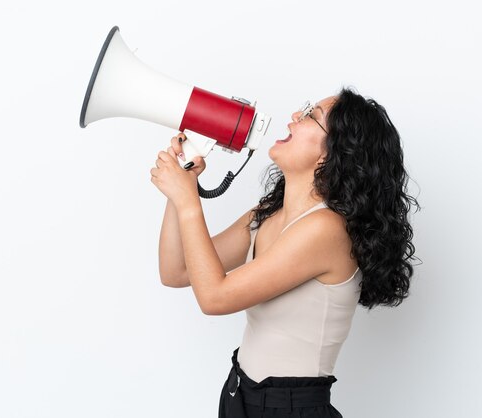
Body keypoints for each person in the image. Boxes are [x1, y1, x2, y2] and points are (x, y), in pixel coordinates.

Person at [151, 87, 420, 418]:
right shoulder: (269, 212)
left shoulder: (326, 230)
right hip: (241, 394)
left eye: (312, 116)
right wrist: (181, 184)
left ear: (334, 153)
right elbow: (176, 271)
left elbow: (214, 298)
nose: (295, 115)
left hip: (290, 407)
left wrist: (188, 203)